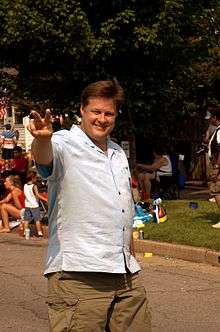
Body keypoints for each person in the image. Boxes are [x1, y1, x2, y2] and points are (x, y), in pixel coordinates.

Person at [28, 79, 151, 332]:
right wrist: (42, 139)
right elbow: (45, 159)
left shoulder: (117, 152)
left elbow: (122, 208)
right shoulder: (63, 142)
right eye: (96, 111)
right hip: (79, 274)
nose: (102, 119)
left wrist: (130, 256)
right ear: (82, 110)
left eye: (109, 113)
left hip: (125, 274)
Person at [205, 106, 220, 228]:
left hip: (218, 165)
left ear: (215, 117)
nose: (209, 120)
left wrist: (216, 167)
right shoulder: (218, 130)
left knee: (217, 192)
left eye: (210, 118)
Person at [23, 171, 48, 237]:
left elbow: (26, 194)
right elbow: (37, 195)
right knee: (37, 219)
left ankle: (25, 232)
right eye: (36, 177)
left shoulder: (25, 185)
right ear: (32, 178)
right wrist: (45, 199)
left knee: (26, 220)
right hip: (34, 205)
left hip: (27, 205)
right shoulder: (34, 186)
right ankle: (39, 232)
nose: (36, 179)